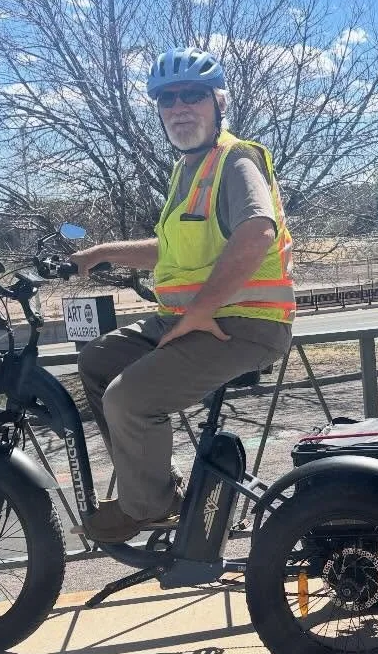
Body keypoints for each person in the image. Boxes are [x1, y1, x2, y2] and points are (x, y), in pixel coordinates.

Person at [70, 48, 295, 544]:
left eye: (192, 95)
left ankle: (147, 508)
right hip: (195, 320)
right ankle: (153, 490)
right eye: (167, 99)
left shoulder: (235, 160)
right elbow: (171, 251)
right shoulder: (188, 172)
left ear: (218, 103)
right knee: (99, 360)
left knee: (127, 398)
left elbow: (257, 232)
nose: (179, 107)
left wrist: (198, 312)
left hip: (244, 325)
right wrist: (100, 253)